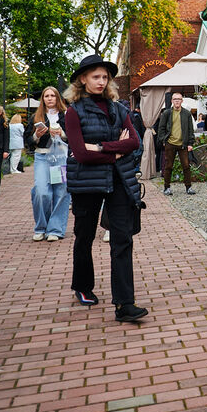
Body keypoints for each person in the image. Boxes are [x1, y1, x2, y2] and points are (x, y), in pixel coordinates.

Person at [64, 54, 147, 322]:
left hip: (118, 180)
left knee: (122, 239)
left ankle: (124, 304)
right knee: (84, 235)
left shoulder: (119, 109)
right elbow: (80, 153)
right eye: (95, 77)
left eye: (104, 77)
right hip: (86, 183)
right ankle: (82, 285)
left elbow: (133, 142)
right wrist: (115, 153)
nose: (101, 81)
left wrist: (100, 147)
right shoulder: (74, 112)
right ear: (83, 79)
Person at [25, 86, 71, 242]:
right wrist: (36, 136)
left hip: (61, 157)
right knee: (41, 191)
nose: (50, 98)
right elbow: (28, 140)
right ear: (43, 99)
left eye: (53, 95)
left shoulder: (67, 115)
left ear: (58, 98)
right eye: (46, 96)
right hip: (43, 156)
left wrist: (62, 133)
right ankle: (41, 227)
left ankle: (55, 229)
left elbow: (75, 137)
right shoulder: (36, 117)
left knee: (61, 192)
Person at [157, 92, 196, 196]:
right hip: (170, 143)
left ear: (182, 101)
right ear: (172, 101)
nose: (177, 101)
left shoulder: (186, 114)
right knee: (168, 166)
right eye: (175, 99)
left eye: (179, 99)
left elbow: (190, 129)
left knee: (186, 166)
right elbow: (161, 128)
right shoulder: (167, 113)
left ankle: (188, 187)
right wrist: (163, 140)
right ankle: (166, 187)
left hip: (183, 144)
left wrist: (190, 143)